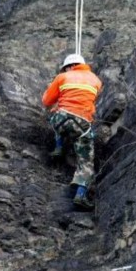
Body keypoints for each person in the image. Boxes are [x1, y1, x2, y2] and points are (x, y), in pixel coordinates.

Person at [42, 53, 102, 209]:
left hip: (61, 119)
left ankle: (59, 146)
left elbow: (46, 101)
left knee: (55, 112)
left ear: (69, 66)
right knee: (86, 161)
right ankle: (80, 195)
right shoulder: (96, 80)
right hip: (82, 123)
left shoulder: (62, 78)